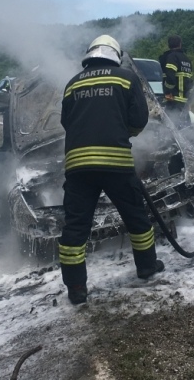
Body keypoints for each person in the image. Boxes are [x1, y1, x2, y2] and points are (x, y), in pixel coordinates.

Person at [59, 34, 164, 305]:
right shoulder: (126, 78)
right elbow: (139, 120)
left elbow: (66, 123)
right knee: (136, 218)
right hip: (116, 162)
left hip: (77, 166)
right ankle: (146, 267)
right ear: (115, 55)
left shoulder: (72, 84)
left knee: (75, 227)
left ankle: (76, 289)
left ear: (90, 53)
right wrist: (121, 133)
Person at [159, 35, 193, 128]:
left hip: (173, 100)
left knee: (168, 130)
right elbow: (190, 82)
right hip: (184, 102)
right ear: (180, 44)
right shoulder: (187, 60)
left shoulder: (172, 57)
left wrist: (168, 92)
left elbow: (170, 77)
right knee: (184, 129)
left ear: (169, 45)